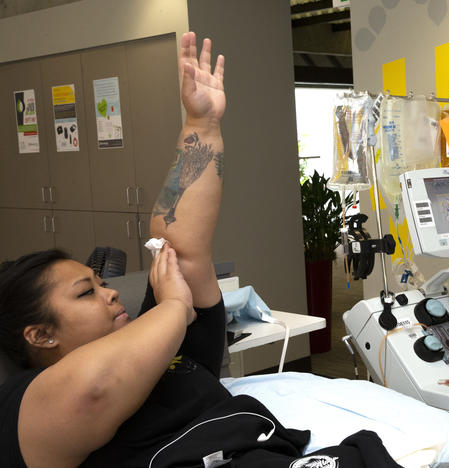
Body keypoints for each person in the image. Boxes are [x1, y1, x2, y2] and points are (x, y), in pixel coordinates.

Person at [0, 32, 403, 468]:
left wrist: (202, 126)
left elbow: (180, 244)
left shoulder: (163, 344)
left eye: (101, 283)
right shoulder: (22, 402)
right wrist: (175, 306)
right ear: (40, 335)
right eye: (86, 292)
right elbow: (93, 389)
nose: (111, 292)